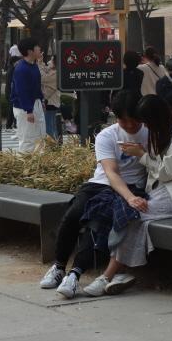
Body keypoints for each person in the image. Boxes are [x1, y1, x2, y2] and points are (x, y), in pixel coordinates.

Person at [81, 94, 172, 297]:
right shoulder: (160, 132)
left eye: (144, 121)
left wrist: (141, 155)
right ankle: (121, 273)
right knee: (137, 220)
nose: (140, 125)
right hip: (163, 191)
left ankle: (107, 276)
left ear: (155, 118)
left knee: (133, 217)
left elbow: (165, 173)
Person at [39, 89, 149, 299]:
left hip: (132, 187)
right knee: (73, 214)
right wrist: (130, 198)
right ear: (116, 118)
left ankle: (75, 274)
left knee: (97, 221)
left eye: (135, 120)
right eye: (124, 121)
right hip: (101, 185)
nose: (130, 126)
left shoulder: (150, 133)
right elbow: (110, 172)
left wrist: (132, 193)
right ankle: (59, 267)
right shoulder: (107, 135)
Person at [9, 38, 46, 152]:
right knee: (28, 140)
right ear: (30, 51)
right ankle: (25, 167)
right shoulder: (21, 69)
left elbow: (36, 86)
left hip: (35, 104)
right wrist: (29, 111)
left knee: (40, 138)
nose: (40, 49)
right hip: (25, 108)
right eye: (37, 47)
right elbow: (22, 91)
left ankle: (38, 166)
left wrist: (41, 101)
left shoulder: (33, 65)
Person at [40, 55, 61, 140]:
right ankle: (54, 145)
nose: (48, 62)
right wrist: (40, 62)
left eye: (51, 60)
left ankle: (52, 146)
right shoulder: (54, 71)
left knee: (49, 126)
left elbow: (42, 78)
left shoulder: (55, 74)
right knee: (51, 124)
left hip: (50, 102)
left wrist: (39, 63)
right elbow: (45, 70)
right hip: (52, 102)